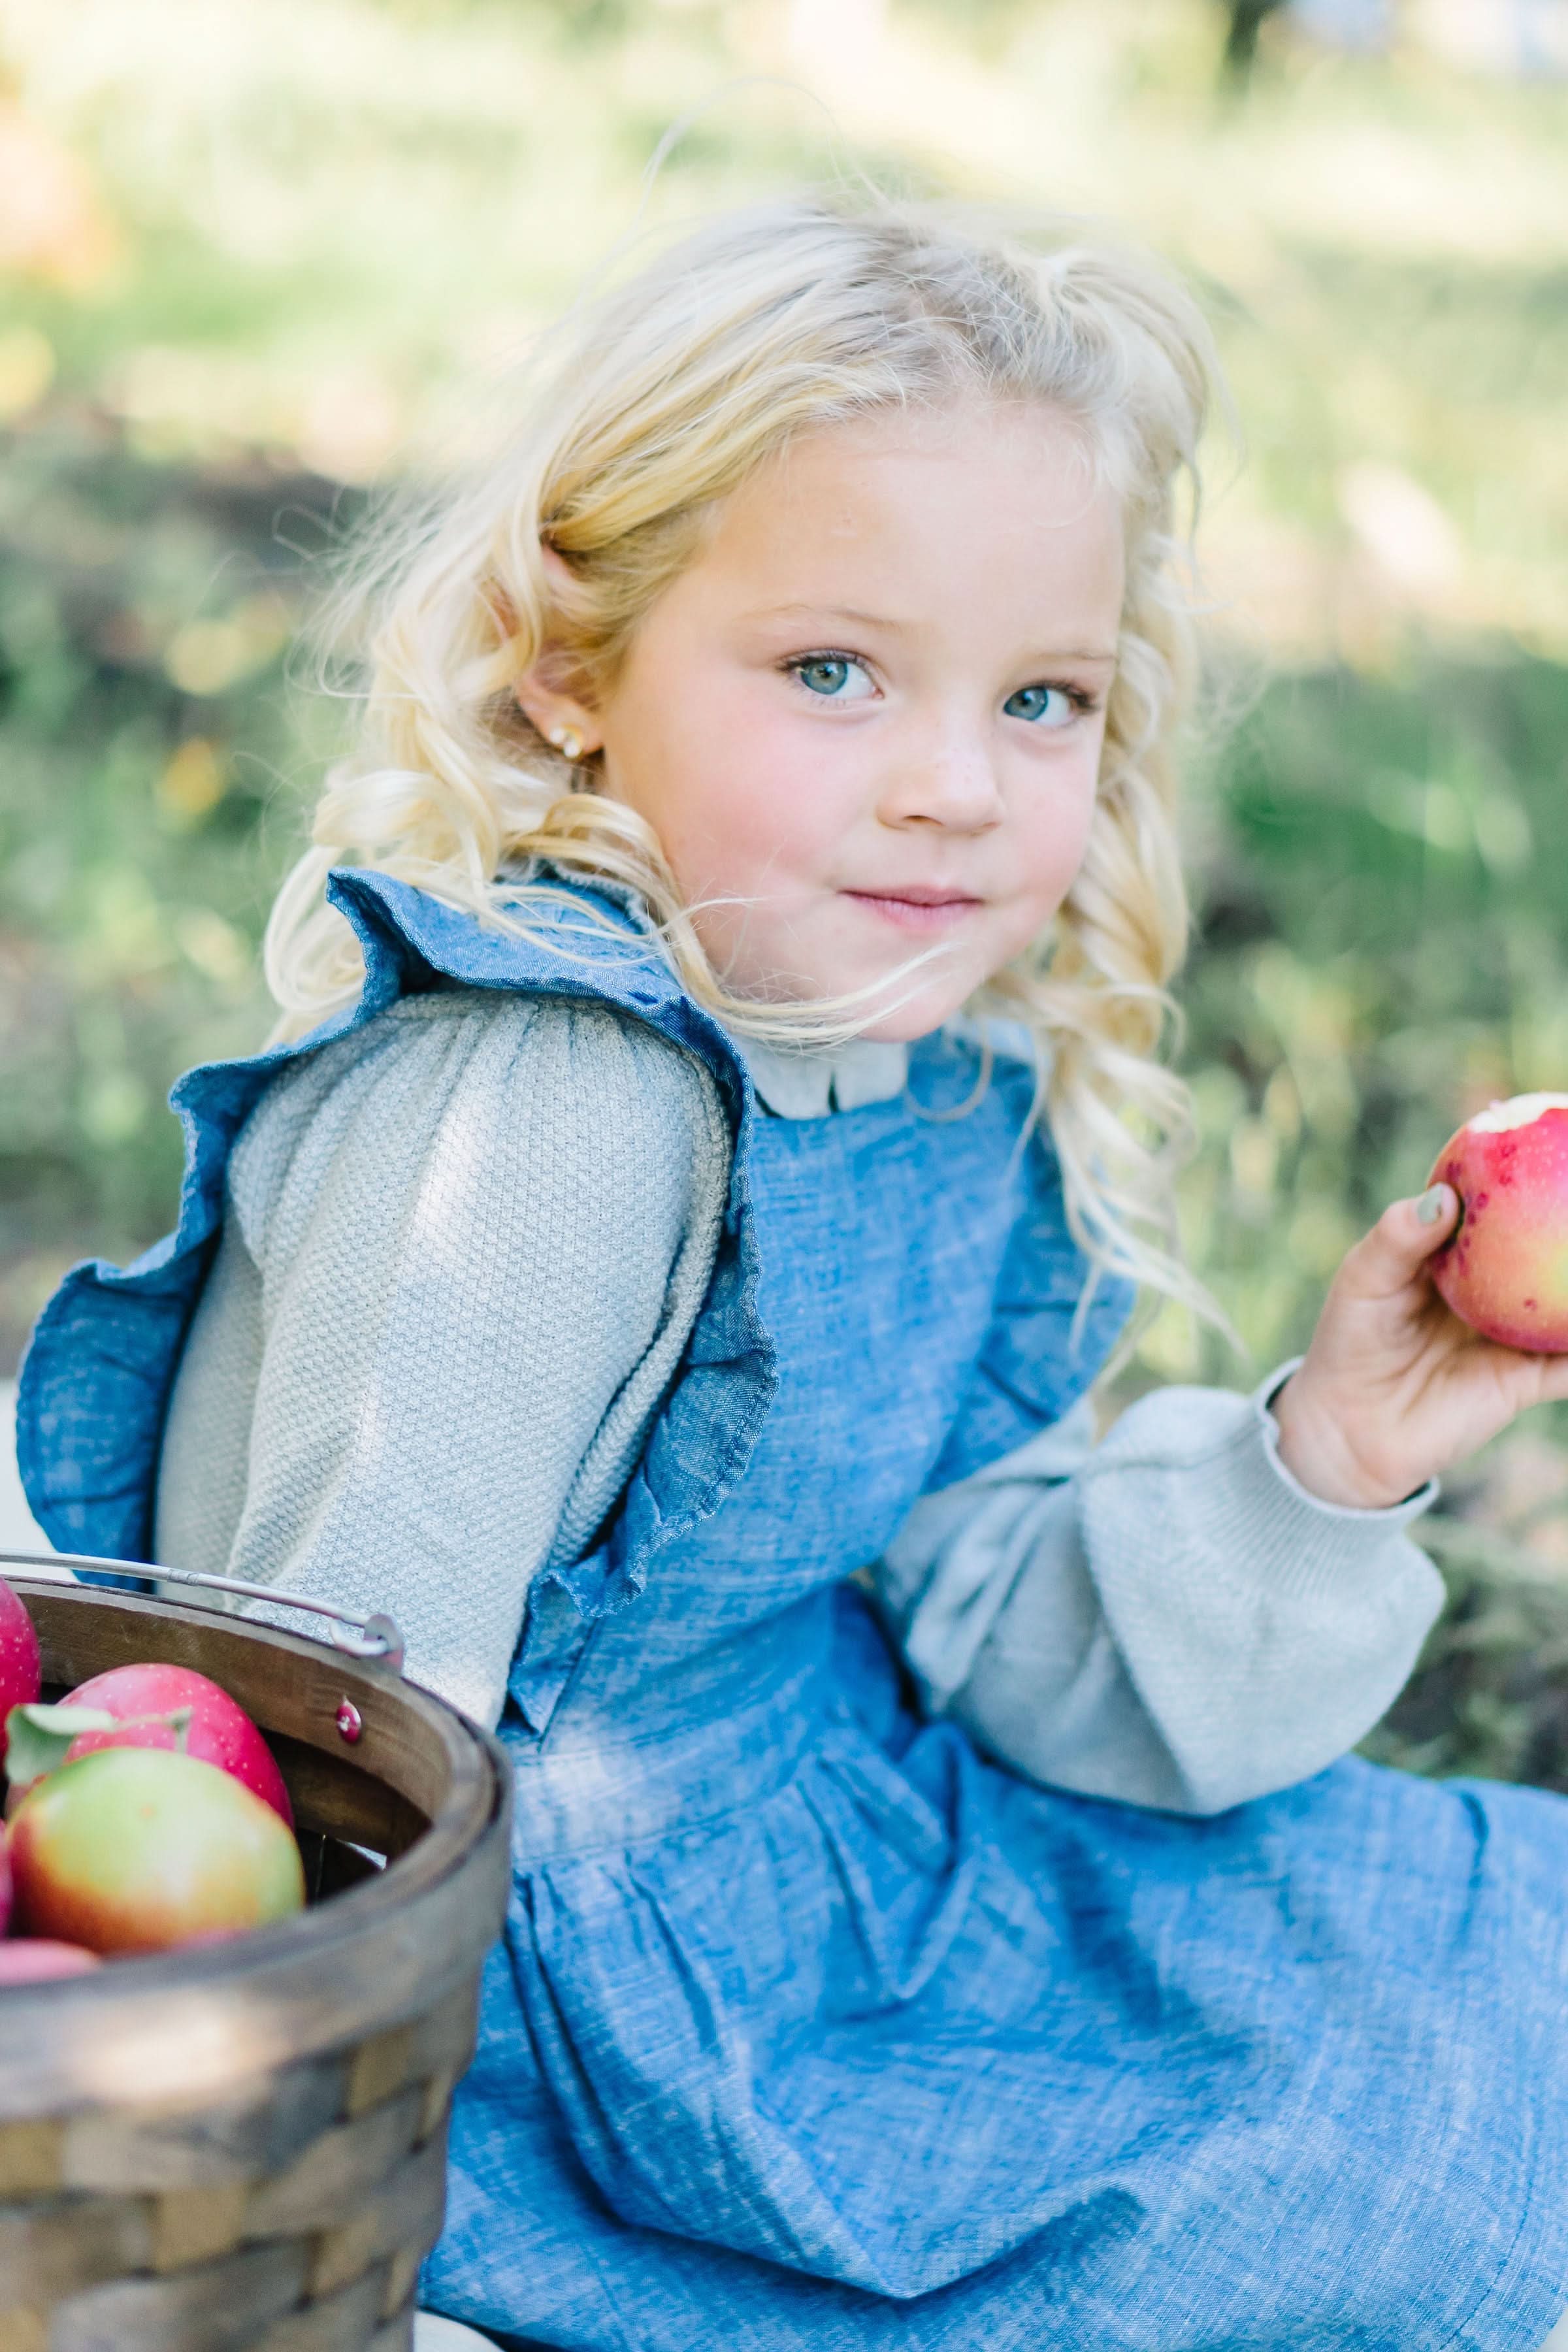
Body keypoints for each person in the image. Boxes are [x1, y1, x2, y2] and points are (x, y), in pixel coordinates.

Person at [18, 194, 1568, 2351]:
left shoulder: (907, 1068)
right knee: (1393, 2194)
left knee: (1499, 1992)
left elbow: (974, 1630)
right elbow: (341, 1713)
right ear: (568, 666)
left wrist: (1322, 1462)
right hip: (570, 2030)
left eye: (1043, 699)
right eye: (833, 672)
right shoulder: (547, 1110)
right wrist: (330, 2223)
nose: (955, 790)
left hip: (844, 1855)